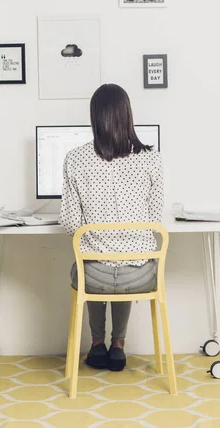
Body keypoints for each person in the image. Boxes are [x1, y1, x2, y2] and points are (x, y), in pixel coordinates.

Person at [60, 84, 164, 371]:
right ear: (127, 115)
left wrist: (97, 235)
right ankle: (118, 346)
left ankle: (96, 344)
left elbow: (70, 223)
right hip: (139, 277)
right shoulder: (152, 159)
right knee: (124, 263)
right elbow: (156, 222)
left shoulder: (75, 159)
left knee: (90, 263)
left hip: (94, 276)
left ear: (95, 117)